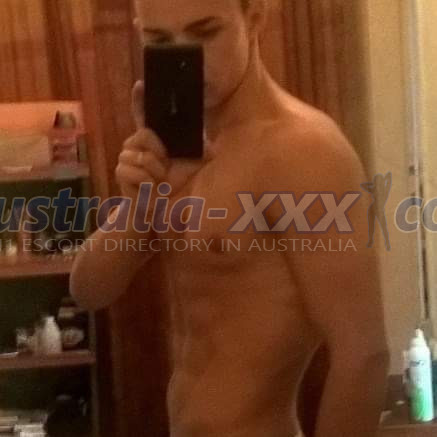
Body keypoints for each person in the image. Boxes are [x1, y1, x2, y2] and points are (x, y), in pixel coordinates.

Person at [70, 0, 390, 436]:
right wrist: (141, 208)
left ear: (254, 17)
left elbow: (364, 355)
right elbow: (89, 290)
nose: (187, 56)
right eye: (159, 40)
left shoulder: (303, 151)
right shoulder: (178, 148)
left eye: (205, 32)